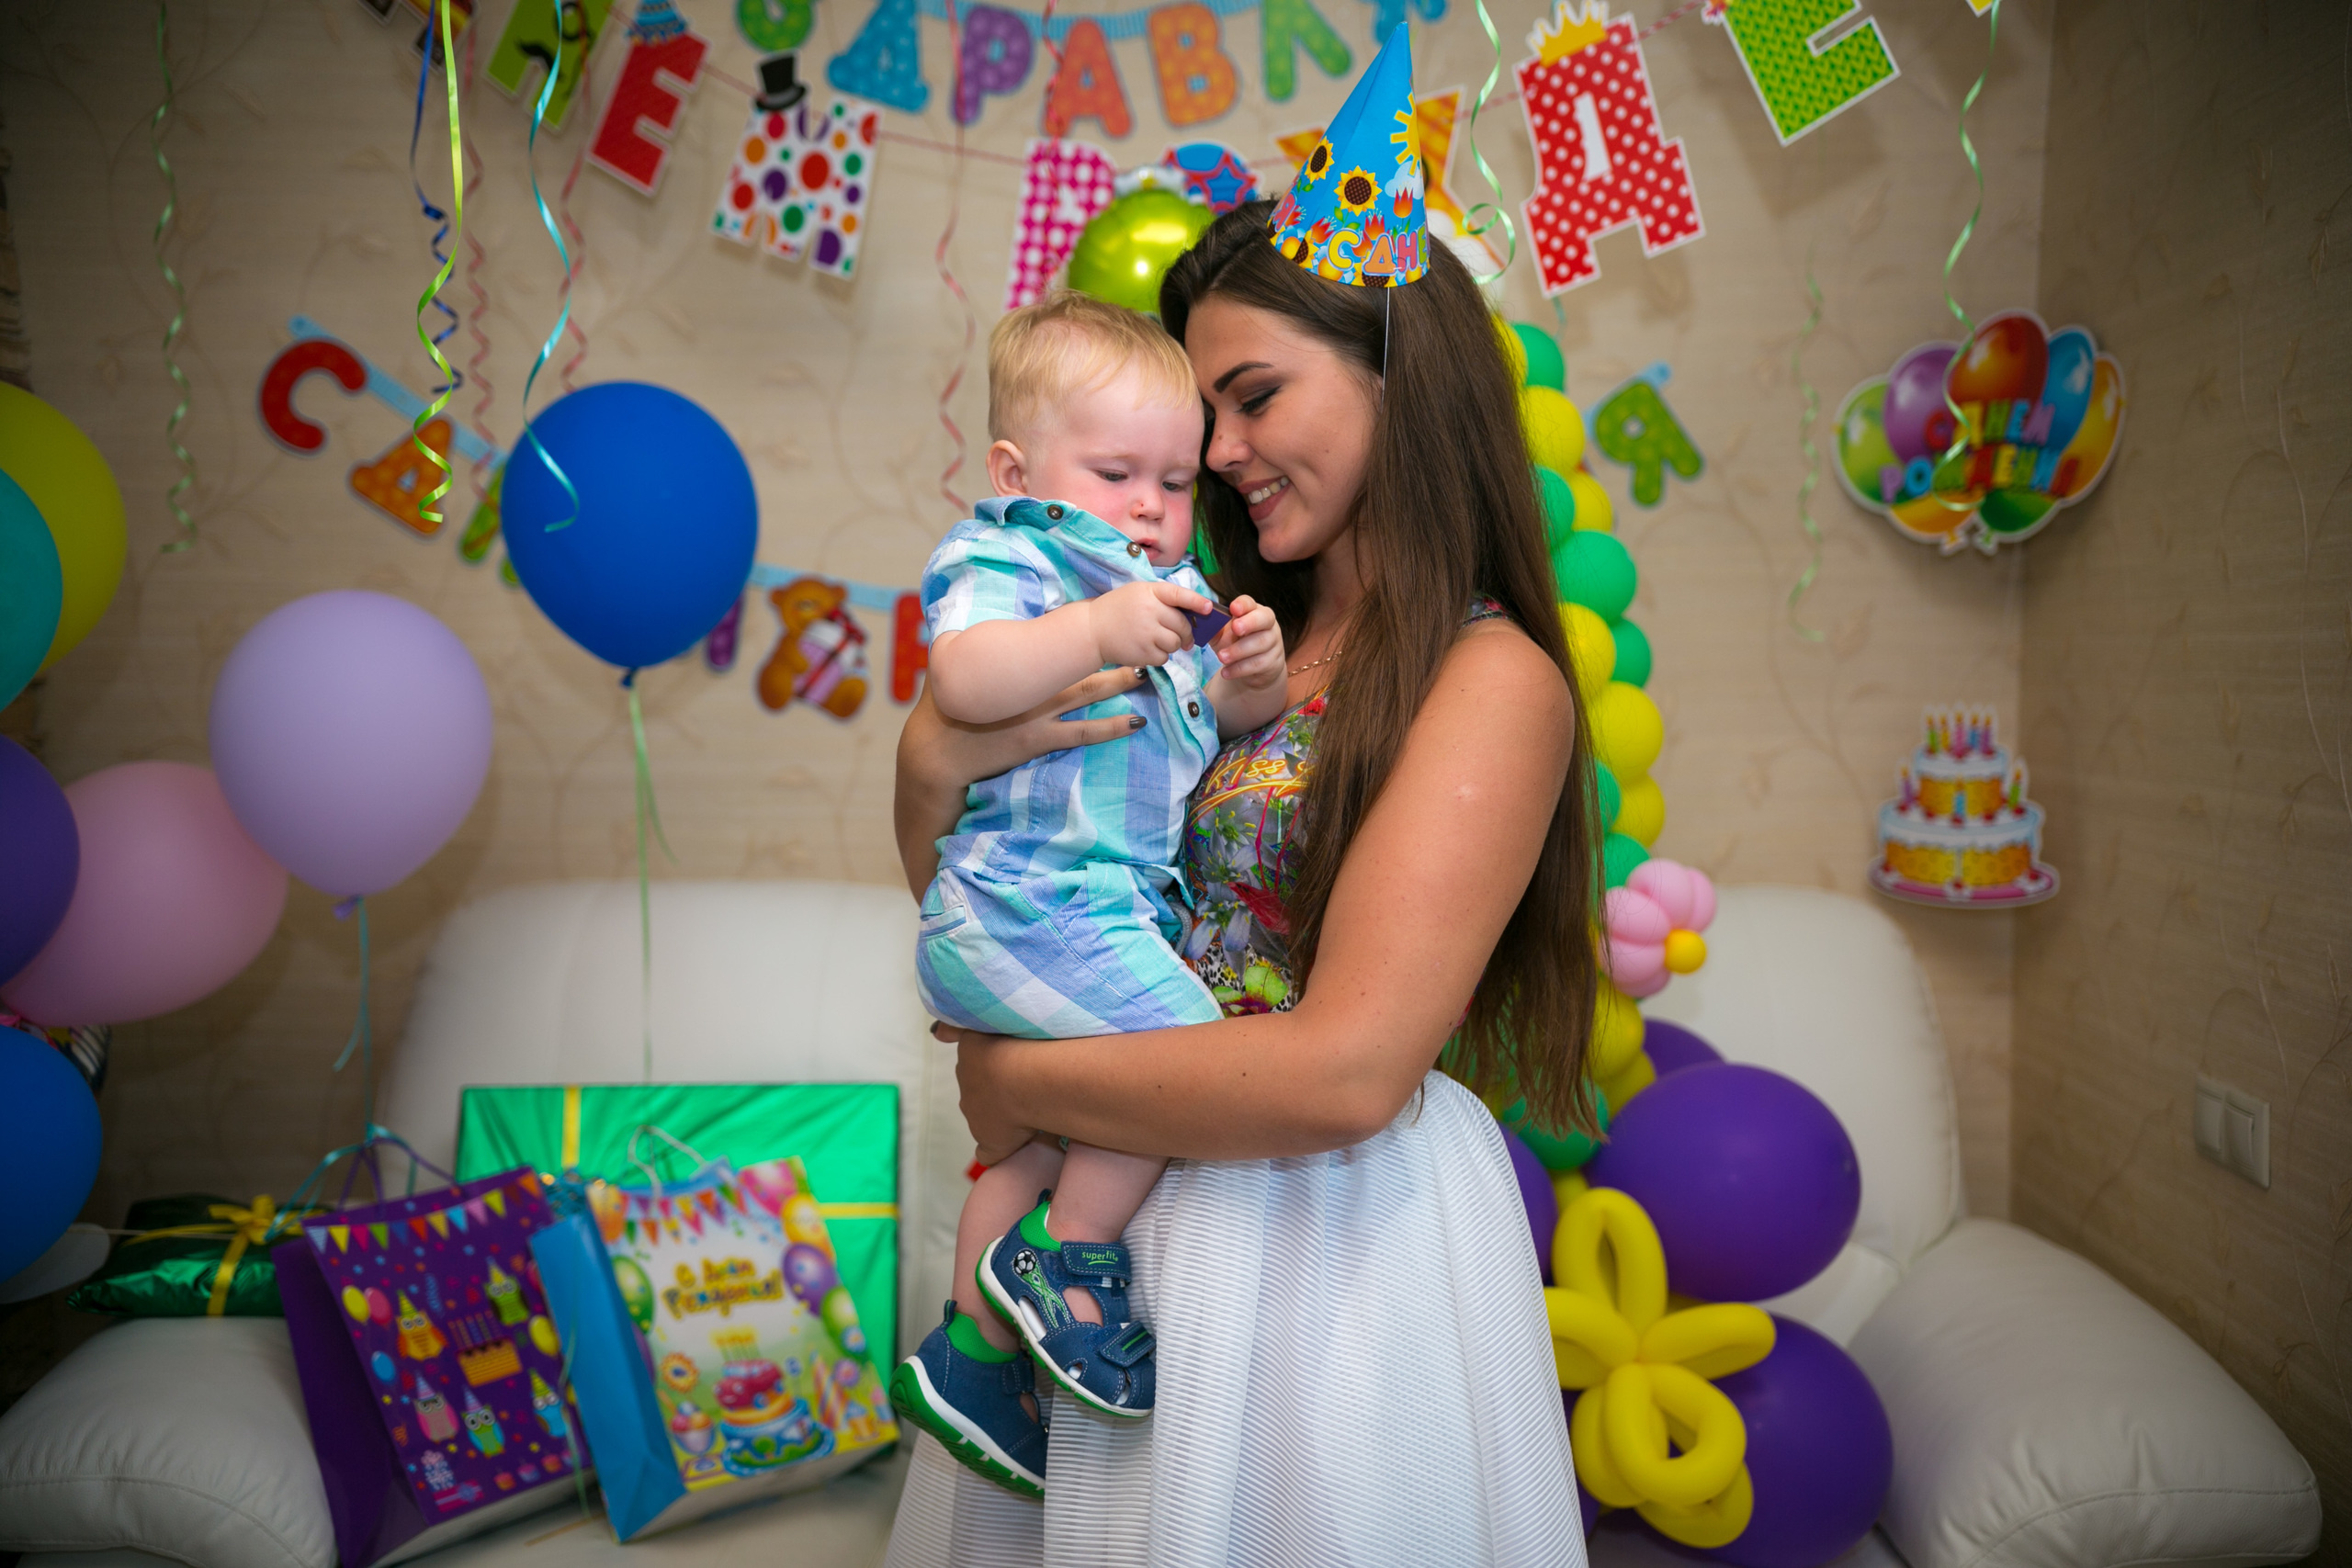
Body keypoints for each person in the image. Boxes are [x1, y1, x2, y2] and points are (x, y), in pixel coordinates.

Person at [885, 26, 1598, 1564]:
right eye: (1204, 412)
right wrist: (938, 748)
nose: (1213, 451)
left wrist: (1026, 1088)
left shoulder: (1493, 681)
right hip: (1118, 1254)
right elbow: (957, 854)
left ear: (1401, 369)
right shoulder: (1198, 624)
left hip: (1327, 1247)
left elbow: (1343, 1076)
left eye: (1256, 394)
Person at [893, 292, 1290, 1495]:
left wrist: (1248, 682)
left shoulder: (1164, 595)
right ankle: (1070, 1257)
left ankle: (971, 1359)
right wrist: (1094, 623)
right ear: (1017, 468)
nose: (1150, 507)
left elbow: (1201, 734)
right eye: (1116, 470)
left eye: (1173, 482)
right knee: (1181, 1056)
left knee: (1029, 1148)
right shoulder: (1008, 557)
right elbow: (964, 678)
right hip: (1026, 904)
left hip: (1088, 919)